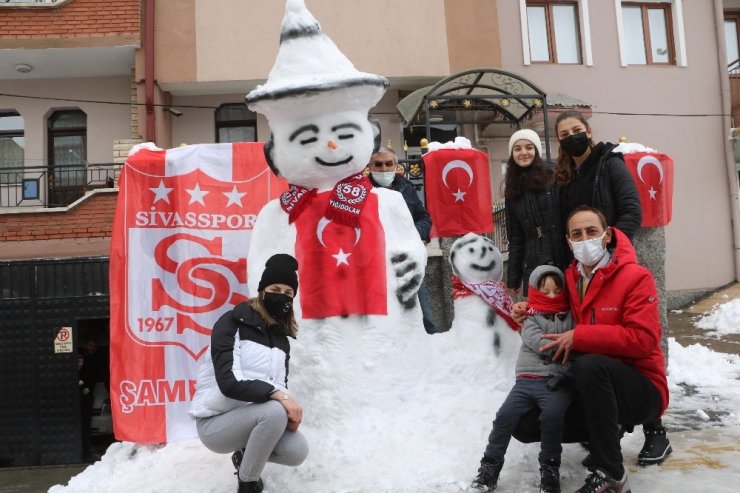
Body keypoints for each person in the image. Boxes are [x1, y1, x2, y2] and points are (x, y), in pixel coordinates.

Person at [553, 110, 671, 465]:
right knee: (596, 348)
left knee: (634, 341)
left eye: (577, 130)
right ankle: (607, 431)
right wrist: (574, 265)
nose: (572, 136)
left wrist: (610, 252)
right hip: (584, 269)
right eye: (564, 133)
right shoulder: (564, 177)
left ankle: (655, 430)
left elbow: (631, 210)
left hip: (614, 263)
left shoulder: (610, 164)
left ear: (589, 132)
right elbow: (562, 225)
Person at [536, 206, 669, 492]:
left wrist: (581, 336)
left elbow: (643, 339)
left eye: (592, 231)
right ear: (568, 241)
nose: (585, 239)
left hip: (642, 389)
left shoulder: (636, 276)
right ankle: (603, 445)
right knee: (527, 422)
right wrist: (525, 309)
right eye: (577, 234)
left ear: (607, 236)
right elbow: (550, 309)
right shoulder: (571, 279)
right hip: (595, 387)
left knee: (590, 365)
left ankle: (611, 474)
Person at [189, 254, 309, 493]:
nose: (282, 296)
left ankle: (246, 457)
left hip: (255, 420)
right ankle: (248, 483)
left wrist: (287, 412)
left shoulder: (281, 339)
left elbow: (279, 385)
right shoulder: (231, 322)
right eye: (275, 288)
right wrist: (280, 400)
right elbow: (228, 383)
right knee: (275, 410)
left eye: (288, 293)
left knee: (297, 452)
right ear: (262, 291)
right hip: (216, 424)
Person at [471, 265, 573, 493]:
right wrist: (565, 345)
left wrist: (571, 349)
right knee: (504, 417)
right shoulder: (529, 316)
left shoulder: (571, 316)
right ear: (535, 292)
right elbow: (539, 341)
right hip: (527, 380)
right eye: (545, 291)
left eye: (557, 291)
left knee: (552, 418)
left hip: (556, 382)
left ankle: (550, 469)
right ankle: (489, 467)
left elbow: (576, 343)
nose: (551, 296)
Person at [368, 146, 437, 333]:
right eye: (378, 165)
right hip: (377, 261)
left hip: (408, 258)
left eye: (388, 164)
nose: (383, 169)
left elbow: (424, 218)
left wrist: (411, 232)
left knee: (425, 313)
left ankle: (431, 344)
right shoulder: (362, 190)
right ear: (370, 167)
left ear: (396, 166)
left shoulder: (406, 187)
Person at [503, 129, 565, 296]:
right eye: (517, 149)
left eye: (529, 147)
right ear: (512, 154)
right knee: (536, 316)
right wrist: (513, 279)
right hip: (533, 266)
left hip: (561, 259)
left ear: (537, 150)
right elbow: (515, 239)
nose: (523, 153)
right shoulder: (512, 190)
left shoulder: (554, 176)